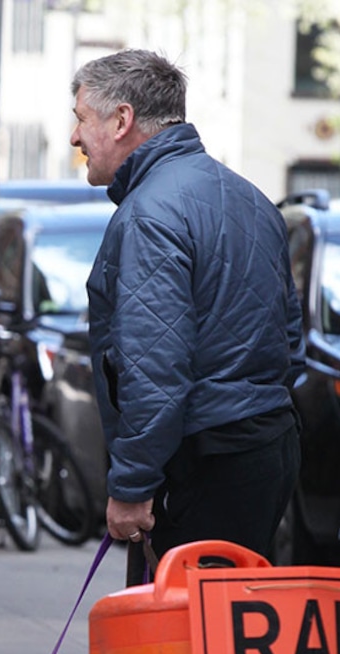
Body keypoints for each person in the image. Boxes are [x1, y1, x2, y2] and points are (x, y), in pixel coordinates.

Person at [69, 49, 306, 575]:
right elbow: (290, 339)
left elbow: (154, 369)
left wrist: (131, 487)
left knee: (178, 642)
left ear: (123, 119)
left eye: (82, 119)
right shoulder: (249, 197)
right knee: (230, 637)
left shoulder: (151, 212)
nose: (75, 138)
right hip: (264, 447)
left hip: (202, 461)